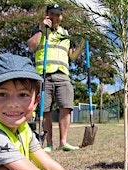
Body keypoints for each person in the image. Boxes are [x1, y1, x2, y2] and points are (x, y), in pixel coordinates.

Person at [27, 4, 85, 152]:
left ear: (61, 16)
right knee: (45, 110)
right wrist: (41, 29)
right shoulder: (39, 30)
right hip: (43, 74)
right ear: (47, 14)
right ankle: (48, 144)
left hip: (63, 74)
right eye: (52, 14)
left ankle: (63, 142)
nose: (55, 17)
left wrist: (83, 43)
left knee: (66, 107)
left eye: (58, 14)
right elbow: (31, 46)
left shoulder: (66, 34)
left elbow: (72, 56)